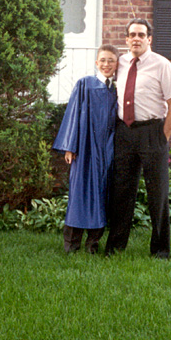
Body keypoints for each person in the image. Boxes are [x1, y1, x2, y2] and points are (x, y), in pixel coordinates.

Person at [104, 18, 171, 259]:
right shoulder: (122, 62)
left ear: (149, 39)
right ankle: (115, 247)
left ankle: (160, 250)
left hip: (152, 133)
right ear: (126, 40)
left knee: (157, 194)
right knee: (121, 192)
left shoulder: (162, 65)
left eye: (141, 34)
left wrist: (162, 137)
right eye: (132, 35)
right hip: (124, 133)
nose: (136, 38)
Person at [53, 45, 119, 254]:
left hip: (107, 151)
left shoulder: (117, 90)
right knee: (79, 194)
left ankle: (93, 245)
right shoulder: (85, 85)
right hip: (85, 149)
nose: (106, 64)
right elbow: (72, 114)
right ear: (96, 62)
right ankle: (71, 245)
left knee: (101, 196)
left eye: (111, 60)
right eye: (103, 60)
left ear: (116, 64)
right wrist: (70, 147)